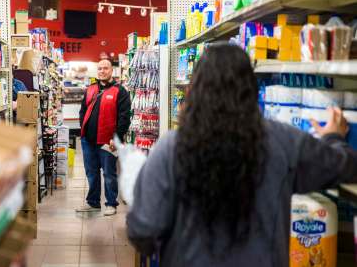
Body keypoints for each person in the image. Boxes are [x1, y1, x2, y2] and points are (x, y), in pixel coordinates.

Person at [126, 44, 357, 266]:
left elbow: (142, 230)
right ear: (252, 90)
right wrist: (334, 137)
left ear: (194, 91)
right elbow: (345, 167)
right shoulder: (285, 142)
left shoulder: (171, 148)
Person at [77, 59, 131, 216]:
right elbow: (83, 111)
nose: (102, 71)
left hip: (108, 141)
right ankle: (93, 203)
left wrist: (117, 138)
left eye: (105, 68)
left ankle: (111, 203)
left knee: (109, 173)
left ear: (111, 71)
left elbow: (124, 118)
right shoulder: (90, 89)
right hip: (88, 140)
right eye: (99, 68)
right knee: (91, 173)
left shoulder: (120, 91)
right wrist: (83, 129)